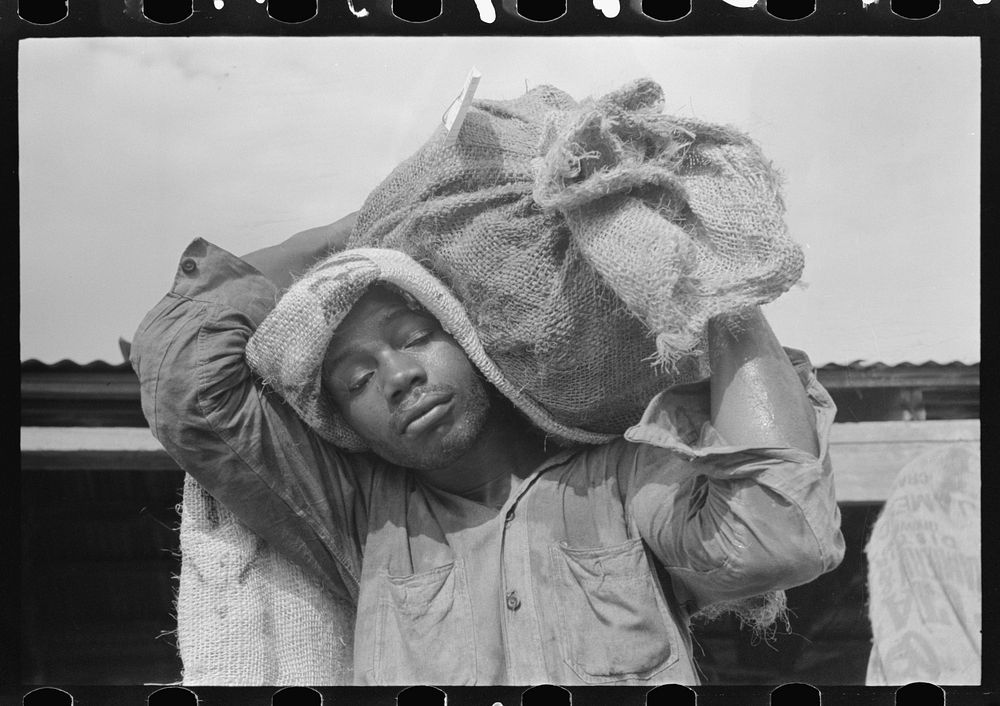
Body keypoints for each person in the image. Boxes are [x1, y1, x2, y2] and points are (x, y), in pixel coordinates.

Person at [132, 212, 844, 686]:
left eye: (415, 339)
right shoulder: (359, 519)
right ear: (345, 425)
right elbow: (188, 390)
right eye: (356, 380)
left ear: (472, 343)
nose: (400, 376)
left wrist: (716, 293)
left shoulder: (621, 479)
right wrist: (366, 227)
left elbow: (780, 537)